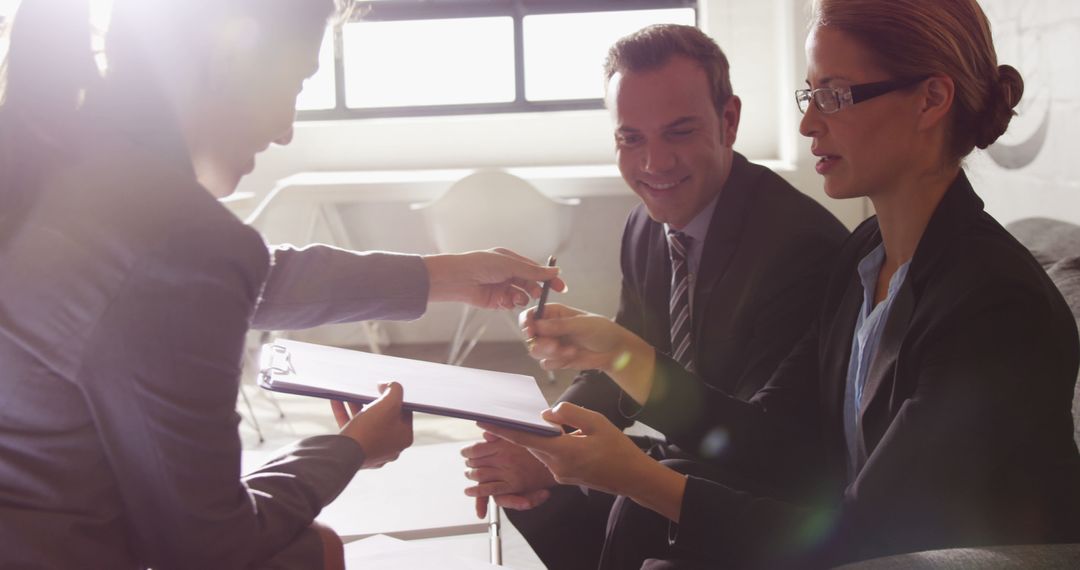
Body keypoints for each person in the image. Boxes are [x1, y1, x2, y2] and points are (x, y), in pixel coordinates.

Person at [487, 0, 1080, 568]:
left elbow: (872, 537)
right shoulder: (867, 256)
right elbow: (771, 440)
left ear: (931, 99)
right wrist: (619, 353)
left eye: (835, 95)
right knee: (628, 514)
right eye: (811, 94)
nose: (807, 122)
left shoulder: (994, 305)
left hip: (923, 557)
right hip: (854, 529)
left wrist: (638, 477)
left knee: (642, 511)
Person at [0, 1, 563, 568]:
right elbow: (214, 545)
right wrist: (345, 450)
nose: (288, 130)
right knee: (314, 551)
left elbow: (241, 280)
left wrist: (447, 274)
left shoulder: (52, 166)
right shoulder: (178, 235)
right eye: (295, 84)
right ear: (227, 56)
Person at [461, 24, 848, 569]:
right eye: (631, 139)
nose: (654, 164)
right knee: (532, 494)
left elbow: (765, 451)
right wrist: (548, 440)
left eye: (680, 133)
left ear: (729, 121)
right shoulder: (644, 227)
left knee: (608, 504)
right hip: (692, 461)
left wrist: (618, 445)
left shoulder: (799, 249)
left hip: (764, 496)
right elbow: (618, 368)